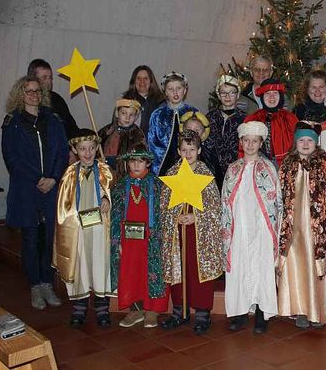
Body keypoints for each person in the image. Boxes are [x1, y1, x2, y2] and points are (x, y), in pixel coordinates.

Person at [2, 75, 68, 310]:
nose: (33, 95)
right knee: (30, 238)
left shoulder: (53, 120)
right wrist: (37, 178)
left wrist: (53, 178)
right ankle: (35, 286)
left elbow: (62, 151)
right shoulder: (13, 122)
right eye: (28, 91)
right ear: (21, 94)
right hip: (27, 189)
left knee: (50, 237)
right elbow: (12, 158)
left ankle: (47, 284)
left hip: (50, 188)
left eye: (37, 91)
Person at [277, 121, 326, 328]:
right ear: (295, 142)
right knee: (297, 266)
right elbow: (280, 195)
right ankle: (301, 308)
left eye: (310, 140)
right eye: (302, 140)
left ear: (316, 143)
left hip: (319, 228)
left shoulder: (324, 163)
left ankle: (318, 308)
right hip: (294, 228)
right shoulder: (288, 164)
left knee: (317, 264)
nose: (306, 143)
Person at [159, 131, 223, 334]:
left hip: (199, 233)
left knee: (197, 269)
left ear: (199, 150)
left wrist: (196, 217)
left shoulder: (205, 175)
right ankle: (180, 310)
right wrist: (174, 217)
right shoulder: (171, 174)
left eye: (192, 150)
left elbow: (214, 207)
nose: (188, 154)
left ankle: (203, 312)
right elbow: (164, 205)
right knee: (180, 268)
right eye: (184, 150)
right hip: (178, 232)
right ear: (178, 151)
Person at [221, 122, 282, 334]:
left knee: (260, 267)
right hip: (239, 226)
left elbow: (277, 202)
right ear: (241, 142)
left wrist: (274, 228)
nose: (250, 144)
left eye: (254, 141)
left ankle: (261, 313)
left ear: (260, 143)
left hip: (262, 227)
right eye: (246, 140)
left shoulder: (268, 168)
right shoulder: (233, 168)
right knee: (238, 266)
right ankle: (238, 312)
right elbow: (225, 201)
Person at [53, 129, 115, 328]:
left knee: (100, 266)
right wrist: (72, 222)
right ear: (74, 150)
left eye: (91, 148)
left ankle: (102, 308)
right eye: (82, 149)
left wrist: (107, 197)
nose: (87, 153)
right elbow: (63, 204)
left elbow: (114, 192)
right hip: (79, 231)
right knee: (81, 267)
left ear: (97, 148)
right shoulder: (70, 174)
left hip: (100, 232)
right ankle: (79, 308)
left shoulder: (105, 171)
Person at [110, 146, 168, 328]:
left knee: (150, 272)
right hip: (129, 240)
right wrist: (117, 240)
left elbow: (164, 213)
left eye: (140, 161)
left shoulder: (158, 185)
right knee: (131, 273)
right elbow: (115, 215)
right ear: (127, 163)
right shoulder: (120, 186)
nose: (136, 165)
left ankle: (151, 311)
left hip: (151, 239)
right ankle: (135, 310)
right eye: (132, 161)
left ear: (148, 163)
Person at [147, 71, 198, 175]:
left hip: (188, 162)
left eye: (178, 88)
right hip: (163, 165)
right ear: (165, 92)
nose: (175, 92)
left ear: (184, 90)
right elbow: (152, 143)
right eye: (170, 89)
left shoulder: (193, 113)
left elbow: (199, 139)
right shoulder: (157, 115)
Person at [243, 78, 298, 167]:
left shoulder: (290, 119)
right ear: (262, 97)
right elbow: (244, 147)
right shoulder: (253, 119)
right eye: (267, 93)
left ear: (280, 96)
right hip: (258, 165)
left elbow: (298, 145)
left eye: (275, 93)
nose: (271, 97)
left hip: (286, 166)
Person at [205, 75, 246, 189]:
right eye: (223, 93)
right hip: (213, 168)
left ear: (237, 95)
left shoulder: (244, 119)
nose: (227, 96)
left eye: (232, 93)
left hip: (237, 168)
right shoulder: (210, 117)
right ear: (218, 95)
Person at [28, 59, 80, 139]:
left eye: (50, 78)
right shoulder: (26, 102)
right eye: (44, 77)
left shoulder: (57, 99)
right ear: (33, 79)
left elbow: (71, 127)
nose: (49, 81)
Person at [98, 99, 146, 180]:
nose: (127, 117)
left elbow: (139, 157)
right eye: (123, 113)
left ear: (136, 117)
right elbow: (96, 147)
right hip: (105, 174)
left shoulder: (137, 135)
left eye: (131, 115)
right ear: (117, 113)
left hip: (126, 177)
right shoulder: (107, 131)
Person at [180, 111, 223, 190]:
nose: (192, 133)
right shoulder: (177, 156)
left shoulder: (211, 158)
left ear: (203, 134)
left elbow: (218, 184)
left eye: (196, 130)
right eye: (189, 130)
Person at [121, 65, 165, 135]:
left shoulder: (161, 102)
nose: (142, 81)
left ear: (151, 81)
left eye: (146, 78)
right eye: (138, 78)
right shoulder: (125, 102)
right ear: (134, 82)